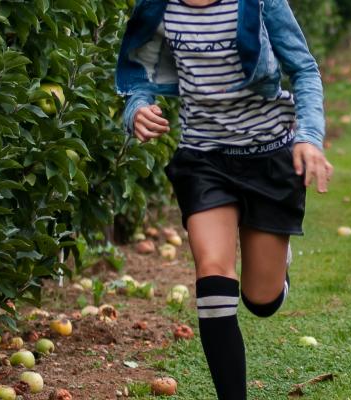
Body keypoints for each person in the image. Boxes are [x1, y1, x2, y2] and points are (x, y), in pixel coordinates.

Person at [114, 0, 331, 397]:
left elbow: (303, 69)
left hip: (268, 157)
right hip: (204, 160)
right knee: (212, 274)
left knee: (261, 301)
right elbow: (139, 77)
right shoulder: (159, 7)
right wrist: (138, 109)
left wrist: (309, 137)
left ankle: (277, 266)